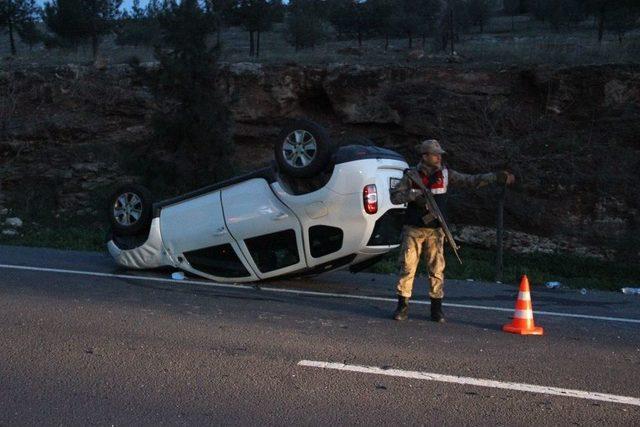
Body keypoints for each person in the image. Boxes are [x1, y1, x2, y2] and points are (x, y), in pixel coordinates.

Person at [390, 139, 515, 322]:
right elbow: (394, 196)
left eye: (439, 154)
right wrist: (414, 196)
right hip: (414, 229)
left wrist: (495, 177)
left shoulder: (447, 174)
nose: (439, 157)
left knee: (437, 270)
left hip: (436, 231)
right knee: (407, 268)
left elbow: (471, 181)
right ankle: (402, 307)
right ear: (425, 156)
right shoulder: (411, 175)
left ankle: (436, 310)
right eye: (435, 154)